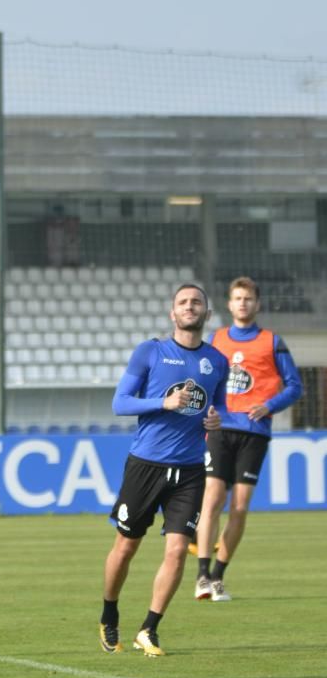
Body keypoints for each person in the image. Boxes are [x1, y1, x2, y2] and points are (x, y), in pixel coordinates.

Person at [99, 284, 228, 657]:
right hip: (146, 465)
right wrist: (164, 402)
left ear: (206, 312)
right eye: (183, 302)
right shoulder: (151, 352)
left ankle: (149, 629)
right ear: (173, 314)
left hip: (189, 470)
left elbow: (215, 409)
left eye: (197, 302)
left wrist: (217, 421)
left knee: (175, 551)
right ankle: (109, 612)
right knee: (126, 547)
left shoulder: (217, 361)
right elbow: (120, 403)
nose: (190, 307)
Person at [194, 276, 303, 602]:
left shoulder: (272, 342)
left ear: (257, 304)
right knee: (212, 498)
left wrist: (269, 405)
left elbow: (295, 386)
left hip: (254, 434)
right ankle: (201, 574)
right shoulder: (216, 339)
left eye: (248, 299)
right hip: (220, 429)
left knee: (239, 508)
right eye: (237, 298)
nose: (243, 303)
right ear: (229, 304)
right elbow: (203, 378)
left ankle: (217, 576)